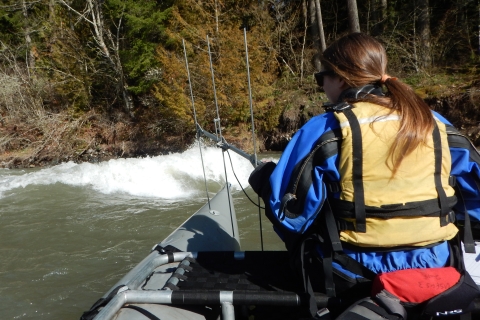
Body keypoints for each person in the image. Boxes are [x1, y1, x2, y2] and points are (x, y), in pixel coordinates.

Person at [249, 33, 480, 318]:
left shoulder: (326, 129)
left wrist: (264, 181)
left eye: (322, 78)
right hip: (440, 267)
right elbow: (476, 199)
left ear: (342, 80)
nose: (322, 86)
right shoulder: (436, 124)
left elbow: (290, 216)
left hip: (353, 275)